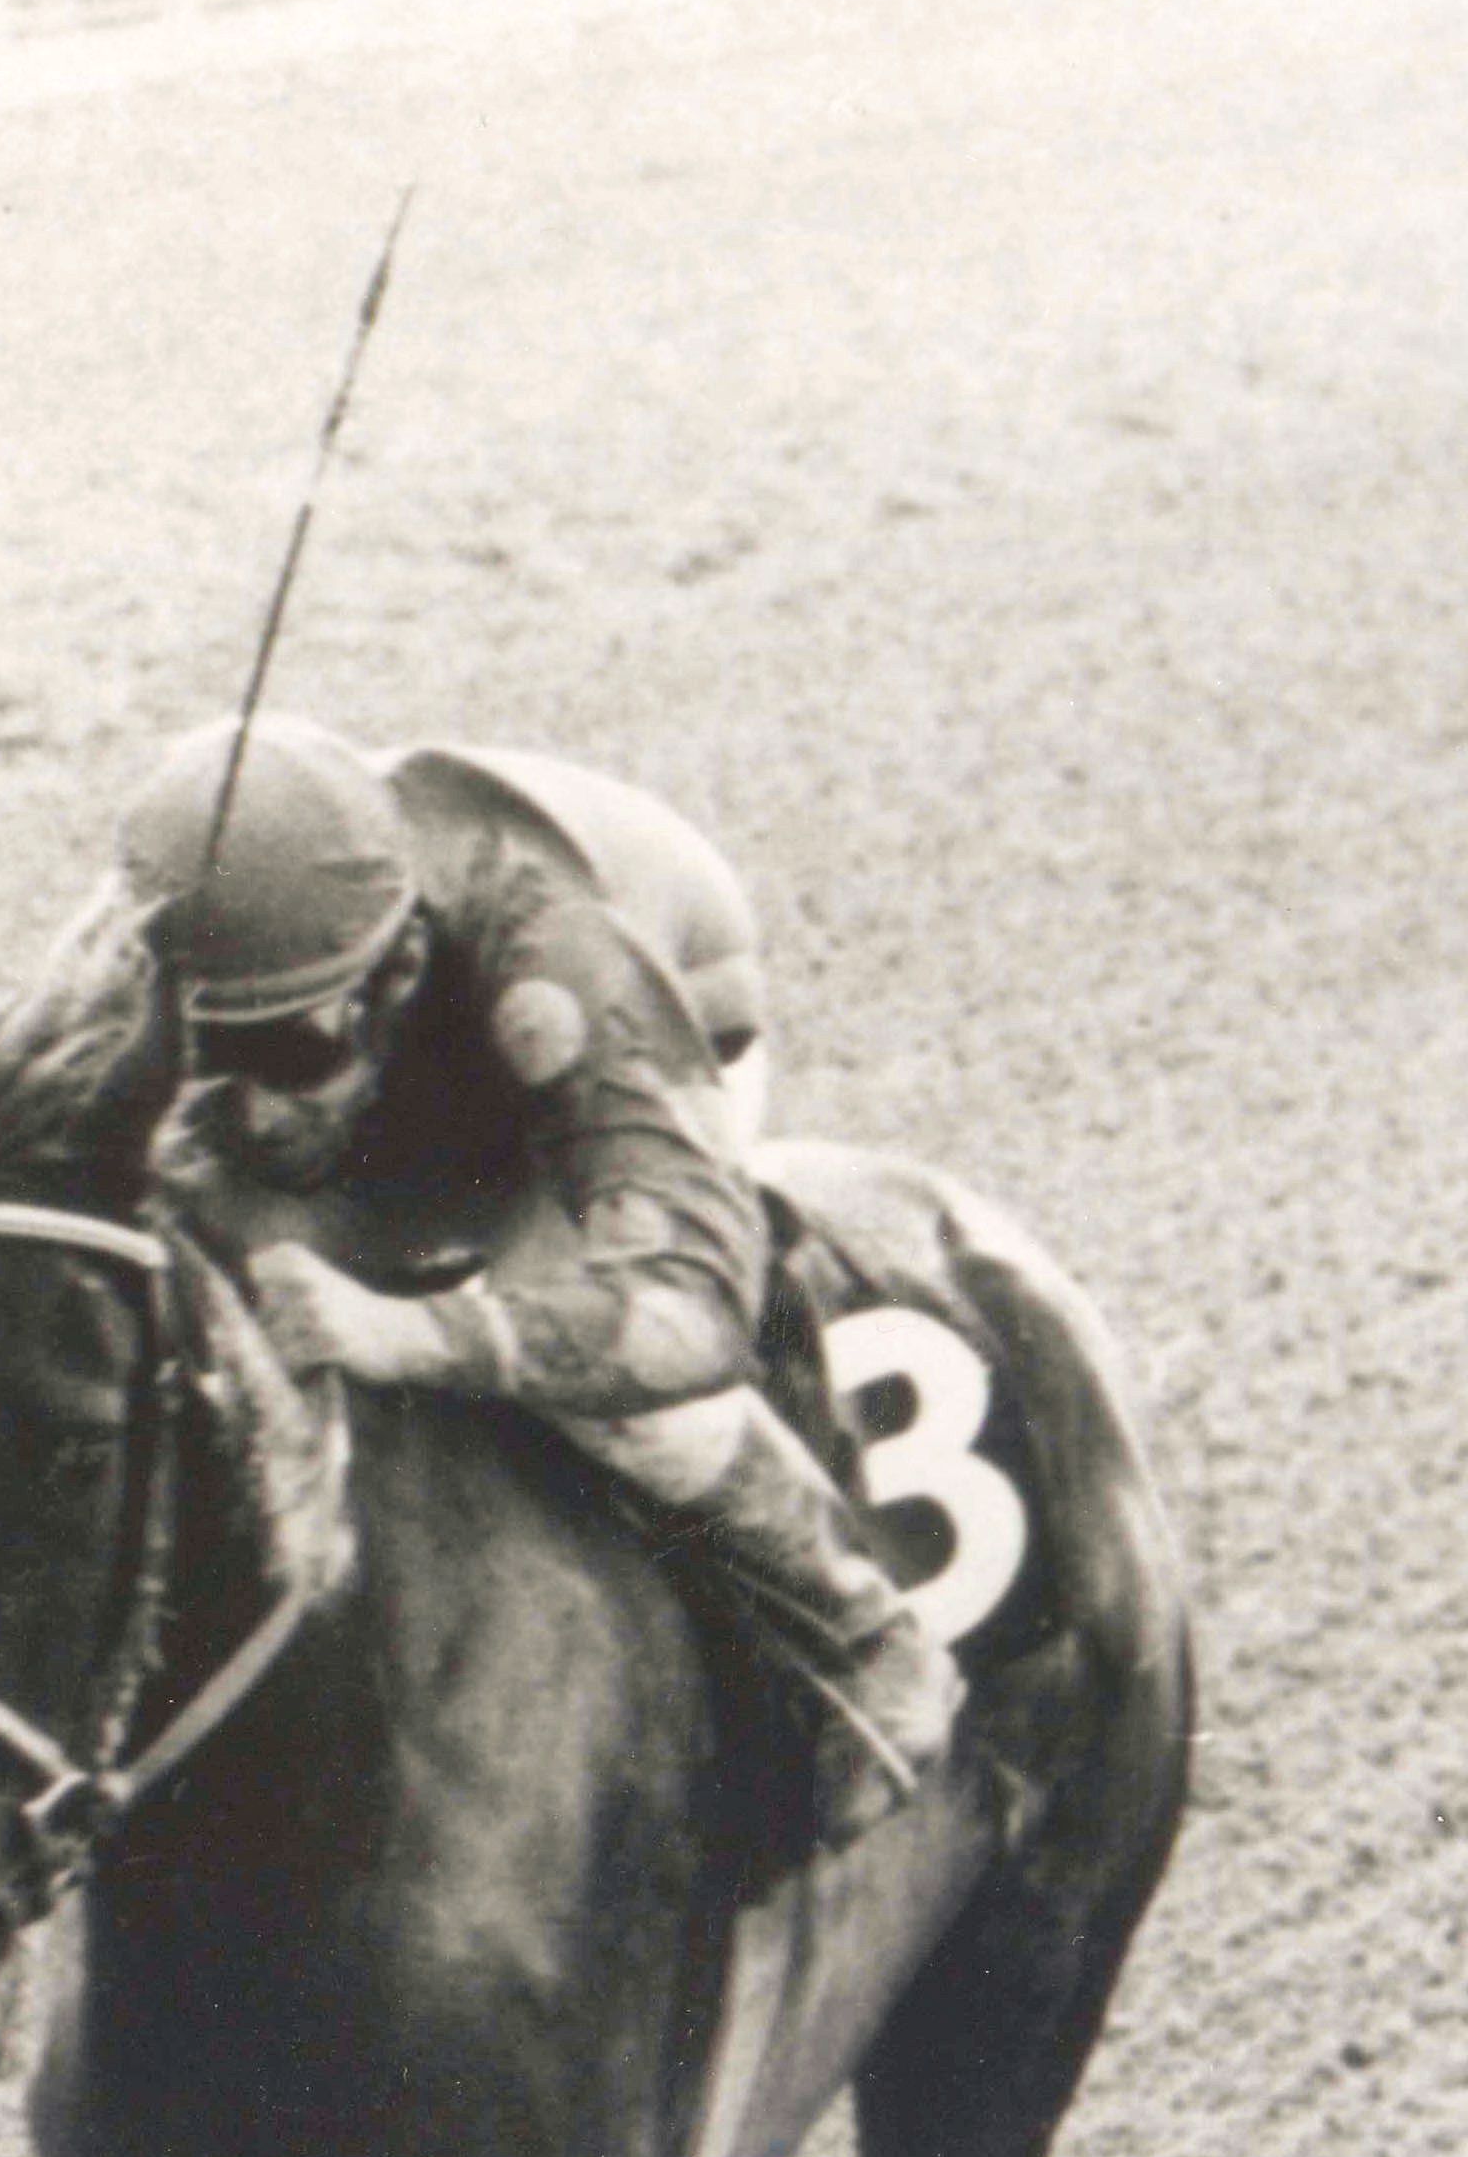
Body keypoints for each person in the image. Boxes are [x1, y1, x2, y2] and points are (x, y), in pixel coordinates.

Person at [105, 717, 959, 1836]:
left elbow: (692, 1310)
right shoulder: (150, 942)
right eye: (211, 1057)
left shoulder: (560, 973)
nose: (256, 1107)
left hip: (660, 970)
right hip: (386, 990)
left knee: (628, 1402)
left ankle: (860, 1630)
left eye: (289, 1058)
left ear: (399, 967)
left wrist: (406, 1332)